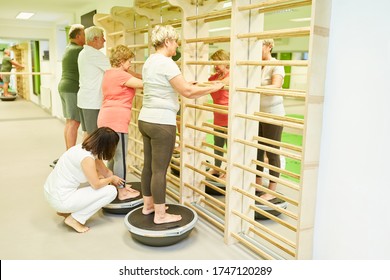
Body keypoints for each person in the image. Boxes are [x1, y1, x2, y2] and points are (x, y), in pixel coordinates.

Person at [138, 25, 224, 224]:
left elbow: (169, 86)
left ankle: (149, 206)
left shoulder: (150, 61)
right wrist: (213, 87)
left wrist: (191, 85)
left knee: (149, 167)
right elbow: (187, 92)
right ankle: (160, 215)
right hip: (161, 123)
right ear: (167, 42)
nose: (177, 45)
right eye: (175, 41)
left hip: (146, 119)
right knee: (160, 170)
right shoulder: (167, 63)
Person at [44, 127, 124, 233]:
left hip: (51, 192)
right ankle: (75, 219)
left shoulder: (84, 149)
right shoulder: (87, 159)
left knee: (101, 182)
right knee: (111, 192)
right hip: (60, 199)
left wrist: (123, 187)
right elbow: (96, 184)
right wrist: (112, 179)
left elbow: (106, 172)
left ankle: (64, 211)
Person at [97, 45, 143, 200]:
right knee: (120, 157)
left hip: (105, 117)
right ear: (122, 61)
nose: (130, 64)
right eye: (129, 61)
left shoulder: (109, 73)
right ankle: (122, 192)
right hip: (117, 120)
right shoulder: (121, 75)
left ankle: (115, 184)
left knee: (112, 156)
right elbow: (144, 84)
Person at [256, 39, 285, 201]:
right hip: (257, 113)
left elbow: (276, 86)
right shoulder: (254, 65)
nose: (258, 49)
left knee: (272, 152)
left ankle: (272, 190)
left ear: (269, 46)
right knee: (257, 149)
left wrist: (255, 88)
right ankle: (258, 182)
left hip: (273, 114)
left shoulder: (276, 64)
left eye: (260, 45)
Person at [77, 26, 111, 137]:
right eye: (102, 37)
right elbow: (116, 70)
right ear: (95, 39)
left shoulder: (84, 52)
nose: (104, 40)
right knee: (94, 137)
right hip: (92, 102)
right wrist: (140, 77)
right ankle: (89, 155)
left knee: (87, 134)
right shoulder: (94, 54)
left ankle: (83, 154)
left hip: (85, 100)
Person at [58, 24, 85, 151]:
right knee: (74, 122)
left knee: (70, 121)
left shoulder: (69, 48)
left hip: (65, 87)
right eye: (84, 34)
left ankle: (68, 152)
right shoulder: (78, 50)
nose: (86, 38)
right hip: (71, 88)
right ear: (78, 36)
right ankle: (70, 154)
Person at [207, 49, 230, 179]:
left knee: (230, 147)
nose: (215, 66)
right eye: (214, 63)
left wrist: (215, 84)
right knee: (218, 146)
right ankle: (216, 168)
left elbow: (222, 84)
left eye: (217, 63)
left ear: (226, 62)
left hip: (229, 118)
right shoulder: (214, 77)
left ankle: (228, 170)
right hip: (218, 117)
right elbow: (206, 85)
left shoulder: (231, 75)